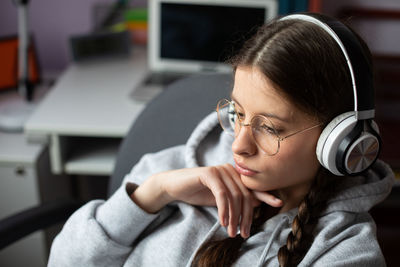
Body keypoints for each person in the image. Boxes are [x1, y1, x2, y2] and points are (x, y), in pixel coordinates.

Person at [48, 13, 394, 267]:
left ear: (339, 141)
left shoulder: (346, 252)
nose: (238, 145)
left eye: (270, 128)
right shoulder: (166, 171)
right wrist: (153, 194)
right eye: (238, 114)